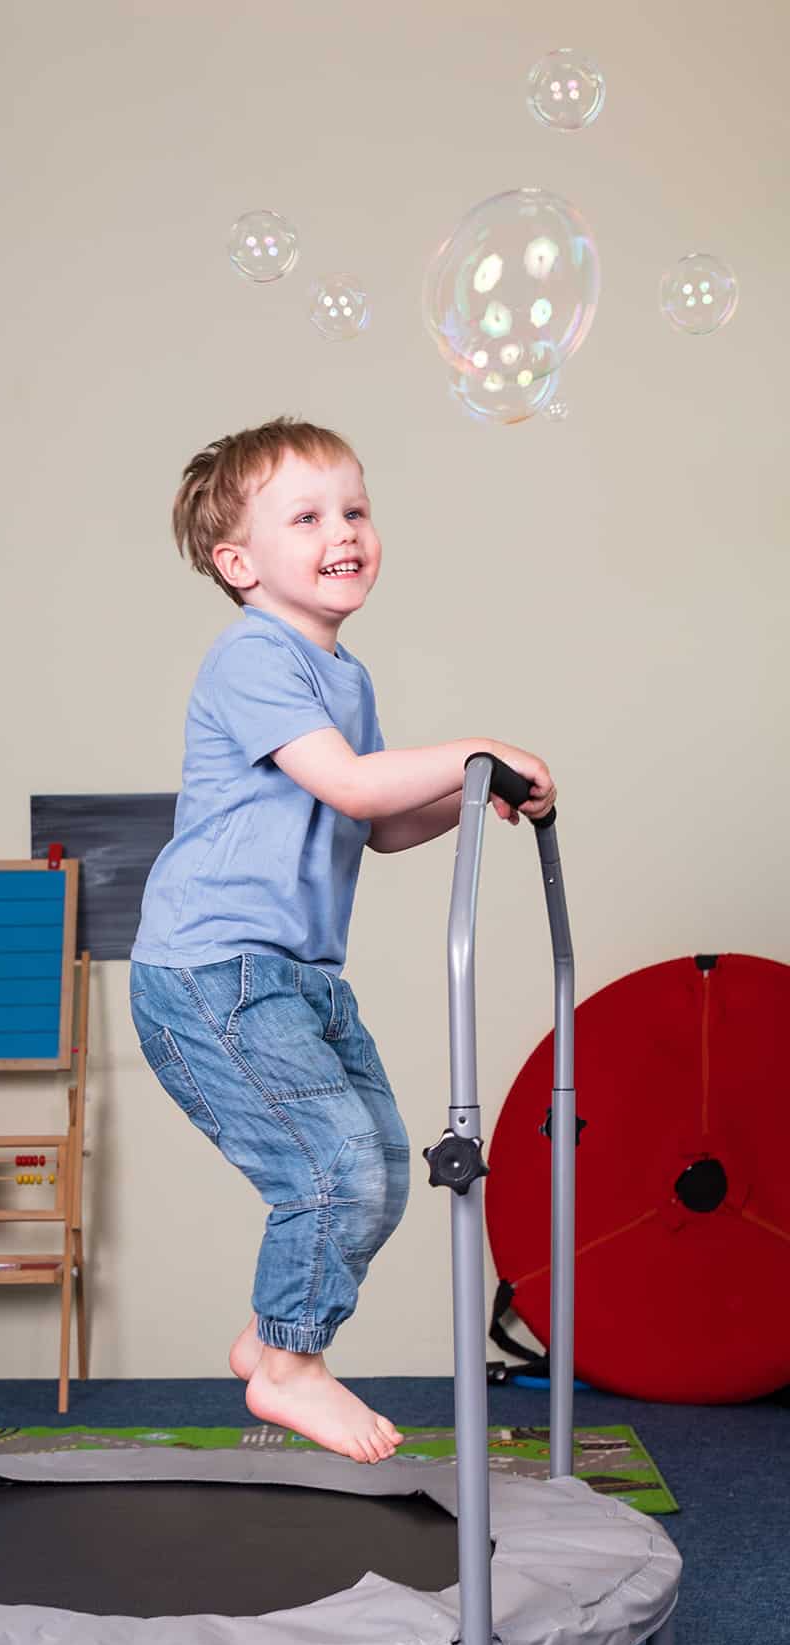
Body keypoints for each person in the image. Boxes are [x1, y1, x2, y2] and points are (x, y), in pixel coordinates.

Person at [129, 417, 556, 1463]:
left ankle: (275, 1342)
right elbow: (357, 783)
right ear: (239, 563)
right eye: (308, 517)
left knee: (381, 1173)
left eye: (355, 511)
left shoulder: (345, 678)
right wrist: (478, 744)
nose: (344, 532)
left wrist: (466, 795)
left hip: (299, 976)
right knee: (335, 1172)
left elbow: (373, 822)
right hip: (212, 972)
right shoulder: (251, 657)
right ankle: (288, 1369)